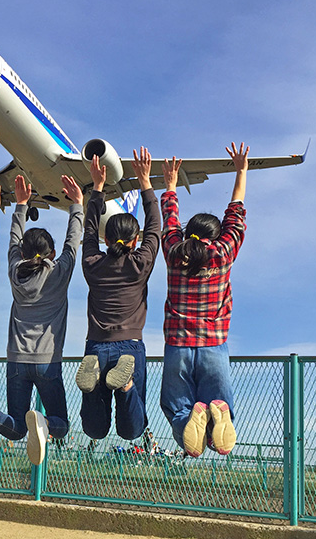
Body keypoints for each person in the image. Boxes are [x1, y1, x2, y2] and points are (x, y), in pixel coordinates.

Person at [0, 173, 83, 465]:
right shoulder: (59, 272)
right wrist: (77, 205)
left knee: (15, 427)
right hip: (47, 361)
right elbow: (72, 243)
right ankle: (42, 422)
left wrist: (20, 205)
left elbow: (15, 241)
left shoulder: (16, 271)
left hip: (16, 361)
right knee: (61, 425)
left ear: (23, 253)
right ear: (51, 253)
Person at [160, 143, 248, 457]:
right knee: (217, 400)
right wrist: (240, 171)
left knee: (176, 405)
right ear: (217, 235)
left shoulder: (174, 253)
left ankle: (188, 424)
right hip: (214, 347)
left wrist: (170, 187)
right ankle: (219, 412)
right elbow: (235, 214)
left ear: (187, 234)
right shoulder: (223, 254)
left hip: (179, 347)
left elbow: (169, 220)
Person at [75, 150, 161, 442]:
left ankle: (96, 378)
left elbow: (87, 230)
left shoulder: (92, 264)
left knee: (94, 429)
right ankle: (124, 388)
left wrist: (97, 187)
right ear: (135, 240)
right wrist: (146, 182)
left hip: (96, 346)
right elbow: (155, 228)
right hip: (130, 346)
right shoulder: (140, 264)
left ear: (106, 239)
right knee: (132, 431)